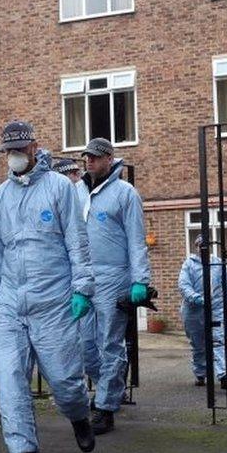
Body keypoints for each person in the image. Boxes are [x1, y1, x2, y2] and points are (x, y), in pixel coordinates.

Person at [0, 120, 96, 453]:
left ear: (34, 148)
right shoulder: (0, 197)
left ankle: (79, 415)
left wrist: (83, 288)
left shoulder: (61, 188)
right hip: (12, 300)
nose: (14, 156)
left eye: (20, 149)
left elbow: (77, 242)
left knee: (63, 379)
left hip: (53, 299)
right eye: (9, 151)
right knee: (10, 379)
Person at [75, 137, 151, 435]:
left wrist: (140, 280)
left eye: (95, 157)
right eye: (86, 157)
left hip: (113, 278)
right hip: (83, 278)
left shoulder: (125, 193)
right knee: (84, 345)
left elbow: (136, 239)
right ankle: (112, 390)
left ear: (110, 159)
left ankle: (105, 406)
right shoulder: (76, 192)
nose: (89, 162)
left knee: (110, 342)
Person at [178, 234, 227, 389]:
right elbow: (183, 285)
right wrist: (195, 297)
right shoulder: (189, 265)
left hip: (217, 309)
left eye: (205, 246)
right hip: (194, 310)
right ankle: (201, 374)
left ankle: (224, 374)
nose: (203, 249)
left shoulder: (219, 265)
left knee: (219, 340)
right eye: (200, 246)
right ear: (196, 247)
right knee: (199, 345)